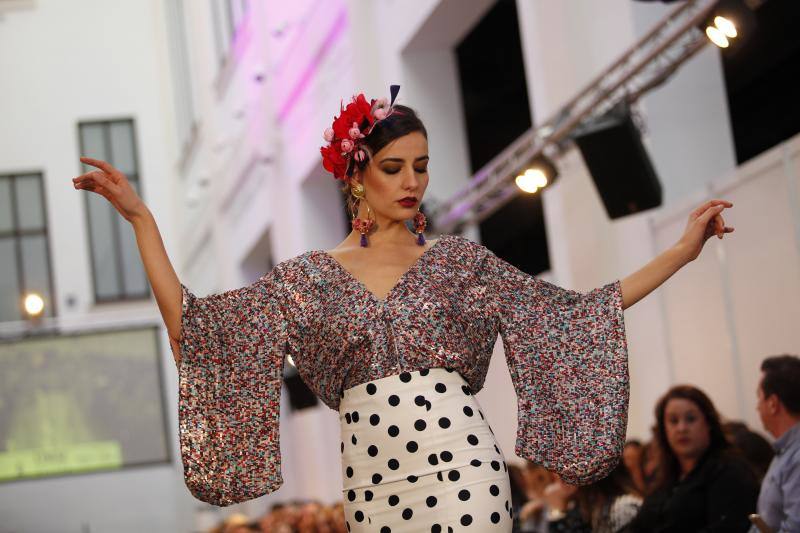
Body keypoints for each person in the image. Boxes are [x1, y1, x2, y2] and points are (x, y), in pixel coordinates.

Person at [71, 84, 735, 532]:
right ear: (356, 173)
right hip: (373, 484)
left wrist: (680, 251)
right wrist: (141, 222)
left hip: (465, 469)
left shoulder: (458, 262)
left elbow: (573, 313)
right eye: (394, 166)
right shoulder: (305, 279)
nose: (413, 180)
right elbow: (201, 333)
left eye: (421, 164)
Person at [629, 385, 759, 532]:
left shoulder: (730, 472)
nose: (681, 428)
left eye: (691, 419)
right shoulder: (665, 479)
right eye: (673, 421)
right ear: (664, 430)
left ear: (708, 423)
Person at [752, 354, 800, 532]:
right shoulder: (784, 453)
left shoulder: (797, 457)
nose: (757, 407)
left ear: (772, 404)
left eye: (759, 398)